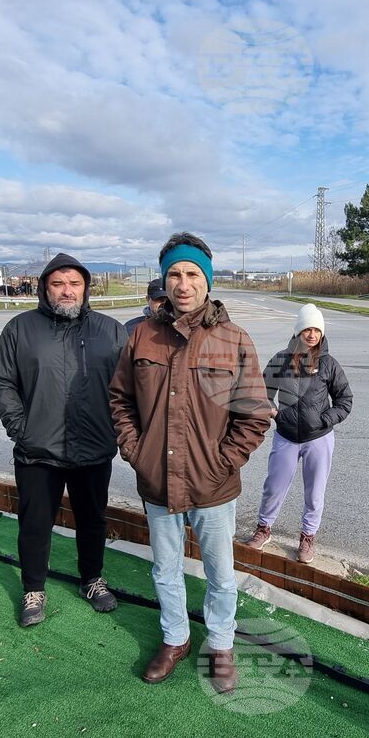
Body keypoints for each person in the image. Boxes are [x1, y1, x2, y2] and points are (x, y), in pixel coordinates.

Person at [109, 232, 271, 693]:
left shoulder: (234, 339)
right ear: (165, 280)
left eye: (192, 274)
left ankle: (220, 644)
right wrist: (136, 451)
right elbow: (120, 400)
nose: (183, 284)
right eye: (175, 274)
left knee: (220, 572)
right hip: (157, 481)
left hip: (213, 485)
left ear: (208, 280)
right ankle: (175, 638)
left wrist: (224, 462)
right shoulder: (141, 336)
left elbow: (255, 413)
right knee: (164, 568)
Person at [0, 253, 128, 627]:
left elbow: (129, 388)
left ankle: (92, 580)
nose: (67, 291)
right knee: (35, 524)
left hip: (94, 449)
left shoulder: (111, 331)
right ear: (45, 288)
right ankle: (34, 588)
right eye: (58, 283)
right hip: (38, 452)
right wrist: (23, 428)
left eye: (74, 283)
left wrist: (115, 428)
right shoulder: (20, 329)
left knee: (92, 520)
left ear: (85, 288)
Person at [246, 303, 353, 563]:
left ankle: (307, 537)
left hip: (319, 438)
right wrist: (274, 413)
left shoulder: (329, 364)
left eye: (317, 330)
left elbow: (345, 400)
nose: (312, 334)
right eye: (307, 329)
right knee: (274, 486)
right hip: (286, 436)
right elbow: (262, 392)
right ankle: (263, 528)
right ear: (298, 332)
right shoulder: (281, 359)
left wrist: (324, 420)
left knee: (315, 492)